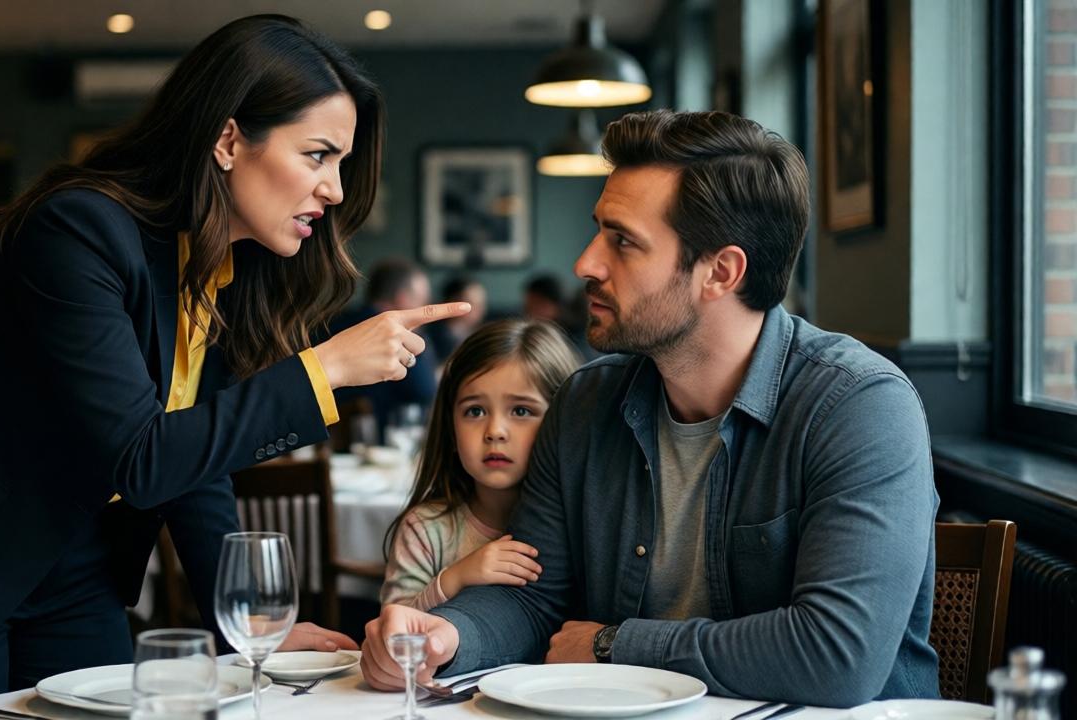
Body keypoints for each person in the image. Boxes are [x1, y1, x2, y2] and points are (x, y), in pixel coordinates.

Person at [0, 15, 468, 716]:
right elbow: (143, 456)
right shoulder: (78, 230)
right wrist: (323, 369)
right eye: (317, 155)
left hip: (71, 563)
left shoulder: (221, 269)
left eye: (340, 163)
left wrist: (244, 623)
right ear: (227, 140)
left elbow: (193, 463)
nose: (335, 189)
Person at [361, 110, 940, 707]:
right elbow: (533, 596)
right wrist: (450, 634)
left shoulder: (859, 408)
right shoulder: (587, 401)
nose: (585, 263)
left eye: (623, 241)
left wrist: (614, 645)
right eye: (598, 232)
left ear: (721, 272)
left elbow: (835, 655)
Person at [380, 319, 580, 610]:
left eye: (521, 410)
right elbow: (392, 636)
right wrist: (455, 578)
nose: (495, 430)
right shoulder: (427, 529)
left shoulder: (580, 526)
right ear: (451, 426)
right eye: (475, 411)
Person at [332, 257, 439, 433]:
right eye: (422, 300)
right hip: (382, 441)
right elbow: (425, 390)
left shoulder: (334, 323)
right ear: (403, 299)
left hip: (318, 441)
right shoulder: (395, 333)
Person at [426, 275, 487, 364]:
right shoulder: (431, 338)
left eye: (481, 303)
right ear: (452, 302)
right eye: (471, 303)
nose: (479, 309)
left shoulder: (480, 336)